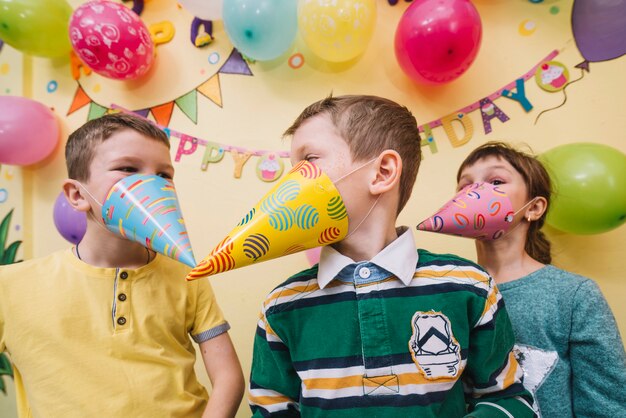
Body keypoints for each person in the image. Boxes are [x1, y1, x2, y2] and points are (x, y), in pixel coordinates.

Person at [248, 95, 535, 417]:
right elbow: (271, 410)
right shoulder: (281, 305)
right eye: (292, 169)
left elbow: (508, 400)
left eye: (309, 160)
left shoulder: (468, 285)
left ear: (382, 172)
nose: (293, 182)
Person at [0, 113, 244, 417]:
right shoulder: (9, 286)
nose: (151, 184)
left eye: (164, 175)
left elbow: (228, 377)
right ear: (77, 195)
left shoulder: (187, 276)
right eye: (128, 169)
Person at [456, 141, 626, 417]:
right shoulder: (448, 291)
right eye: (464, 186)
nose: (474, 192)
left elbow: (607, 405)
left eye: (496, 180)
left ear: (534, 208)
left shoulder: (574, 295)